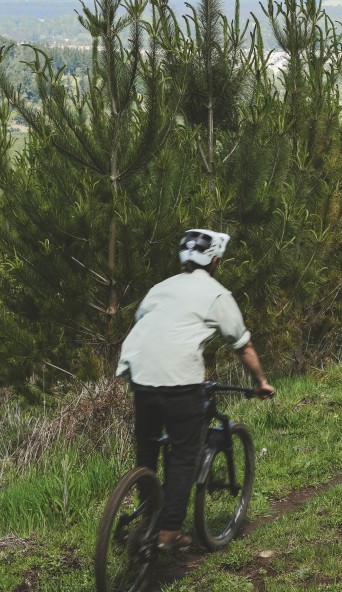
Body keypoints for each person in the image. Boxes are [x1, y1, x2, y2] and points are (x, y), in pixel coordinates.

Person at [115, 228, 275, 551]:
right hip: (179, 382)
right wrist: (260, 382)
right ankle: (169, 531)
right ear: (215, 260)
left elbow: (147, 323)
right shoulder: (216, 294)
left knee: (146, 450)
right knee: (185, 453)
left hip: (142, 377)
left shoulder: (159, 288)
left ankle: (148, 518)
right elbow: (242, 346)